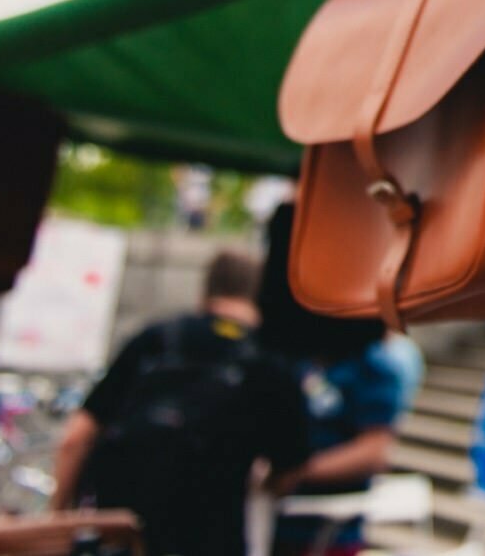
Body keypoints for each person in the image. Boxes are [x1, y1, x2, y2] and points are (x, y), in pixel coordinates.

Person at [51, 250, 311, 556]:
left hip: (121, 531)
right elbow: (288, 472)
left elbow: (76, 438)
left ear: (206, 289)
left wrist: (56, 519)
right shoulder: (273, 365)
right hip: (211, 538)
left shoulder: (155, 339)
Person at [257, 203, 425, 556]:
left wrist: (297, 472)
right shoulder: (283, 356)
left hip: (326, 535)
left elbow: (376, 449)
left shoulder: (372, 365)